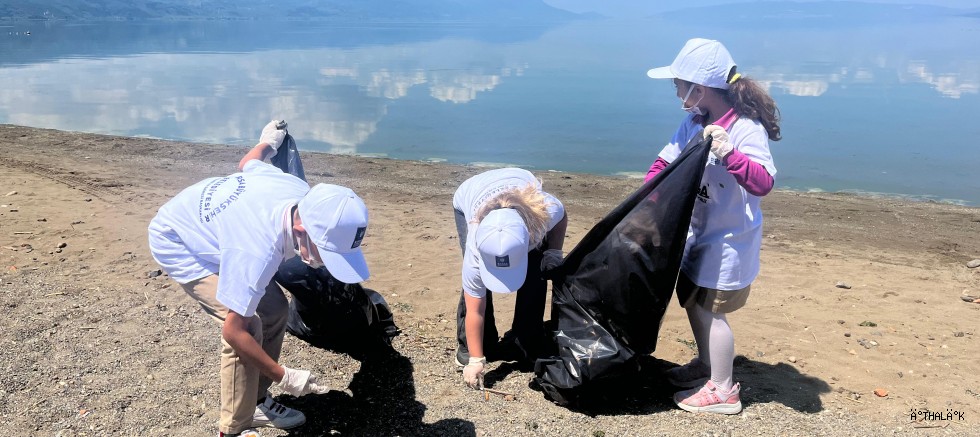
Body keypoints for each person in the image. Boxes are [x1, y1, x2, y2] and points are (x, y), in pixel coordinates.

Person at [147, 120, 371, 436]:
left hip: (212, 225)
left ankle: (256, 398)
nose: (324, 263)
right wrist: (284, 376)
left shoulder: (298, 191)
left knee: (275, 309)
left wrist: (269, 142)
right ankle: (234, 426)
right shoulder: (257, 251)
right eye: (326, 253)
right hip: (178, 240)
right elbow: (234, 332)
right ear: (301, 231)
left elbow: (249, 162)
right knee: (248, 325)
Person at [644, 38, 780, 414]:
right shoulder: (694, 121)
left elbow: (763, 183)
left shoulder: (745, 128)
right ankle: (707, 365)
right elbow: (663, 165)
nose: (676, 90)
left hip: (730, 239)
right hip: (696, 232)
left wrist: (729, 153)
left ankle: (724, 391)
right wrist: (645, 201)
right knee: (692, 299)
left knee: (713, 311)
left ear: (699, 89)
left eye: (678, 84)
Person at [452, 168, 567, 389]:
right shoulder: (475, 248)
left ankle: (527, 339)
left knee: (536, 272)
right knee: (474, 287)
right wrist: (476, 360)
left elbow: (561, 217)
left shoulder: (544, 213)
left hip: (525, 205)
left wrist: (554, 252)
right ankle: (473, 345)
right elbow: (475, 308)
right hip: (471, 191)